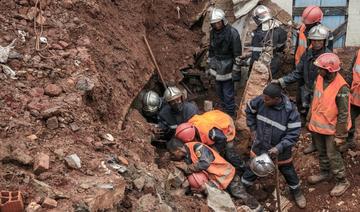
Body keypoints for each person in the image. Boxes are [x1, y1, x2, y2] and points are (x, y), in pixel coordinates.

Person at [241, 83, 306, 209]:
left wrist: (279, 148)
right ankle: (242, 189)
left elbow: (293, 135)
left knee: (288, 171)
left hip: (280, 150)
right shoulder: (261, 100)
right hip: (260, 145)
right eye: (263, 98)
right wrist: (253, 129)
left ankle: (296, 191)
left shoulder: (290, 111)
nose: (263, 100)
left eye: (267, 99)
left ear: (277, 99)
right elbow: (249, 110)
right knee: (253, 168)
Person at [272, 24, 332, 154]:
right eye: (314, 40)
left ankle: (322, 146)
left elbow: (331, 80)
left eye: (319, 40)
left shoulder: (329, 57)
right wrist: (281, 81)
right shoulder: (308, 53)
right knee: (309, 118)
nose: (316, 43)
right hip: (308, 90)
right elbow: (297, 72)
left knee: (320, 120)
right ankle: (314, 142)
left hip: (322, 94)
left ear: (324, 41)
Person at [167, 138, 262, 211]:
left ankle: (258, 209)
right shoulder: (186, 155)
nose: (173, 156)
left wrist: (187, 168)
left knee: (240, 194)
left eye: (173, 154)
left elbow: (205, 163)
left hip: (226, 174)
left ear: (178, 150)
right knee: (226, 198)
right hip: (217, 178)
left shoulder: (197, 147)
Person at [307, 53, 351, 197]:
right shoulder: (320, 78)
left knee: (333, 154)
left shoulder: (342, 87)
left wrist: (340, 135)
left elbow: (344, 114)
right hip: (319, 125)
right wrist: (309, 118)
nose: (318, 70)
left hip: (333, 129)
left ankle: (342, 180)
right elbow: (315, 99)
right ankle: (325, 172)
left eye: (321, 68)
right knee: (321, 152)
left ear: (330, 70)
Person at [175, 110, 245, 172]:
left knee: (229, 153)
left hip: (225, 124)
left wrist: (216, 151)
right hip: (214, 117)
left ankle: (242, 166)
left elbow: (222, 139)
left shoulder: (209, 132)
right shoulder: (189, 126)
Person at [208, 8, 242, 117]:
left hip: (228, 66)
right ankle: (223, 112)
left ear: (223, 20)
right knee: (219, 91)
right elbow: (211, 49)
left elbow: (237, 54)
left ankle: (231, 114)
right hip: (217, 66)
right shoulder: (212, 33)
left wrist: (236, 69)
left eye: (218, 22)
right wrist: (210, 63)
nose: (217, 25)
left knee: (228, 93)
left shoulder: (232, 33)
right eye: (214, 23)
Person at [249, 5, 287, 76]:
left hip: (261, 67)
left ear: (257, 19)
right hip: (275, 64)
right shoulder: (280, 30)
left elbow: (255, 55)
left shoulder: (258, 33)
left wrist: (250, 66)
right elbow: (281, 48)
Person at [341, 49, 360, 152]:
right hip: (356, 95)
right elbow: (351, 71)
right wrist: (346, 85)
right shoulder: (358, 53)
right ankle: (349, 140)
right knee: (350, 118)